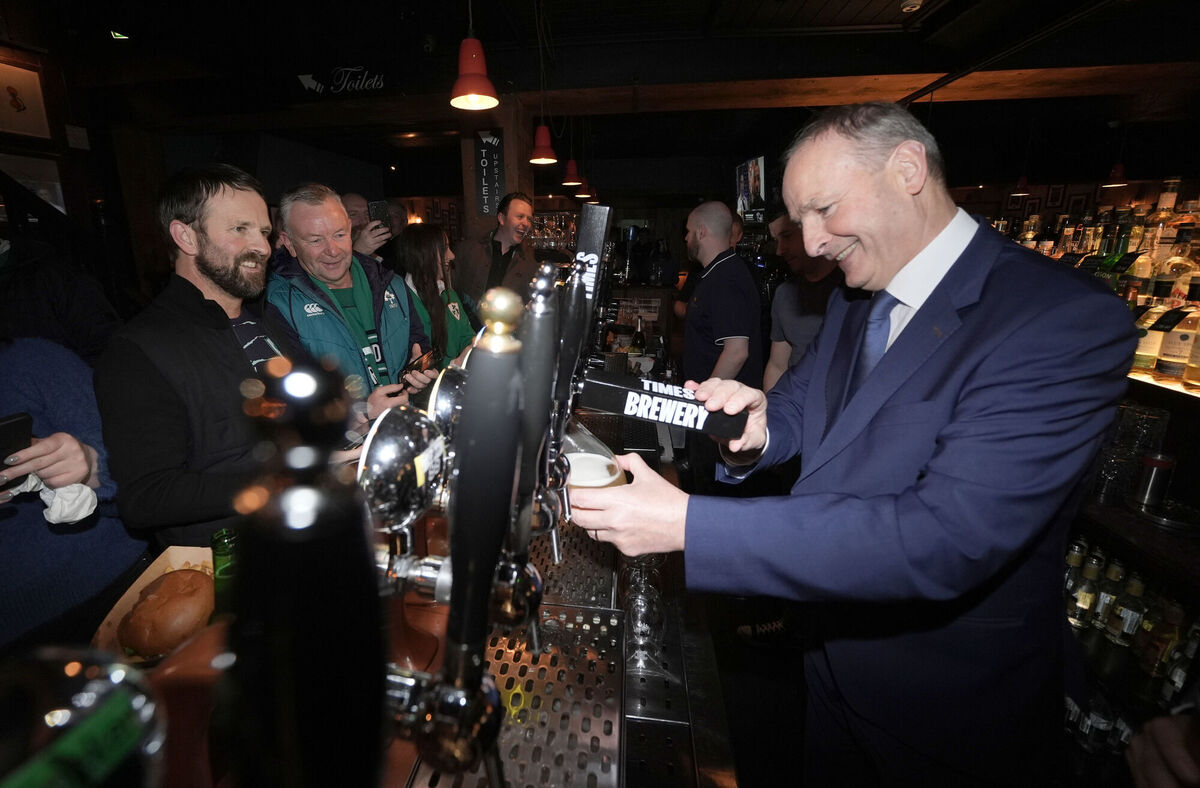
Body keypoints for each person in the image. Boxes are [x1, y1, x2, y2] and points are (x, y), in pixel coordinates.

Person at [572, 102, 1137, 784]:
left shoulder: (1058, 319)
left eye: (823, 210)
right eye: (797, 220)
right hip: (828, 668)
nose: (811, 243)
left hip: (948, 712)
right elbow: (801, 403)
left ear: (907, 169)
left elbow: (944, 539)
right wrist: (758, 428)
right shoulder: (854, 299)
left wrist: (687, 524)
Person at [95, 164, 313, 548]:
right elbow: (146, 498)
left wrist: (355, 417)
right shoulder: (138, 350)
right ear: (186, 237)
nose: (263, 247)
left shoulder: (267, 317)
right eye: (240, 229)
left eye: (264, 232)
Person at [1, 337, 149, 651]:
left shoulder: (29, 362)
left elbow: (147, 479)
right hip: (15, 645)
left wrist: (92, 466)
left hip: (117, 587)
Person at [266, 183, 435, 403]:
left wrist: (419, 375)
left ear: (349, 227)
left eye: (339, 234)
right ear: (289, 243)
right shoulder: (278, 304)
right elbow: (292, 398)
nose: (333, 250)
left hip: (403, 419)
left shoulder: (391, 284)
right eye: (316, 240)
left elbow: (420, 348)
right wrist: (361, 412)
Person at [679, 201, 764, 497]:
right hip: (715, 416)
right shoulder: (716, 274)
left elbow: (737, 351)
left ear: (702, 232)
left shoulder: (727, 278)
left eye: (688, 231)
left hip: (721, 419)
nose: (685, 238)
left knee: (715, 499)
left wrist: (705, 406)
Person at [762, 206, 846, 392]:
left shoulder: (853, 287)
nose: (779, 250)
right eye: (776, 241)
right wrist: (769, 407)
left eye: (787, 236)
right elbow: (777, 365)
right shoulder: (785, 294)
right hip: (796, 404)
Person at [394, 223, 475, 370]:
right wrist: (453, 366)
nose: (452, 255)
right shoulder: (401, 302)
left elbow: (466, 336)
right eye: (444, 249)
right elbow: (415, 360)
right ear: (423, 253)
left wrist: (476, 346)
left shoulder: (448, 294)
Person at [452, 191, 538, 306]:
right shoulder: (468, 251)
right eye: (520, 217)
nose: (526, 223)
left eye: (529, 219)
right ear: (501, 218)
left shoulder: (529, 265)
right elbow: (449, 292)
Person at [341, 191, 392, 259]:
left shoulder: (382, 253)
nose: (363, 221)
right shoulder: (332, 249)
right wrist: (360, 252)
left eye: (367, 213)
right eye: (353, 214)